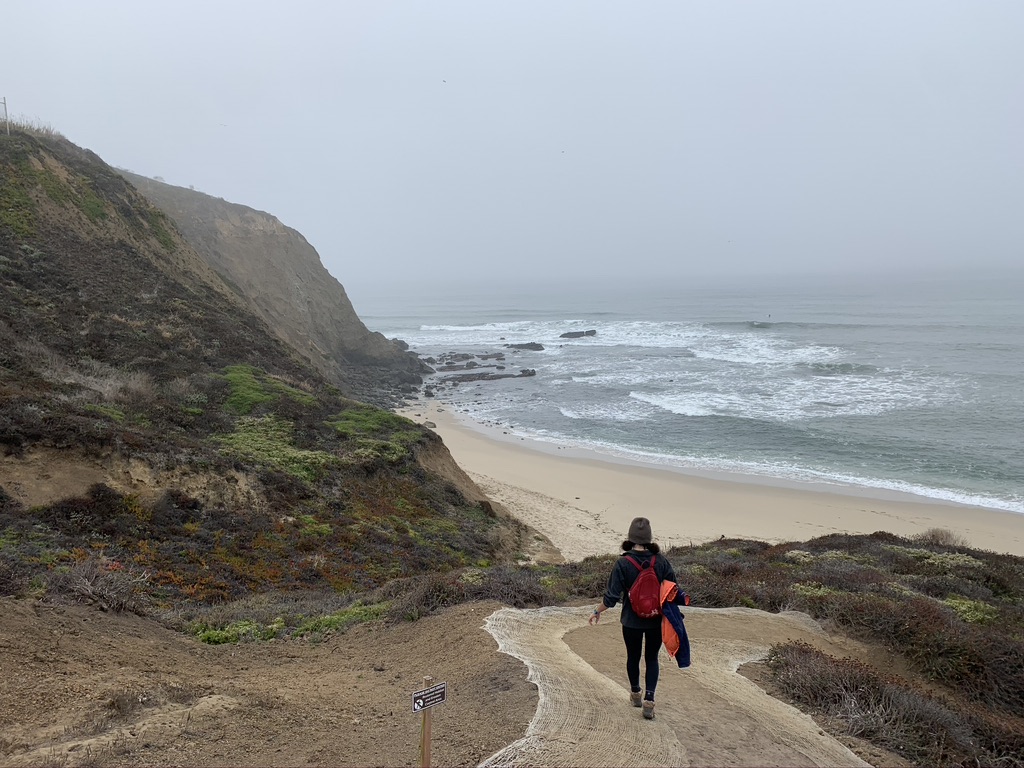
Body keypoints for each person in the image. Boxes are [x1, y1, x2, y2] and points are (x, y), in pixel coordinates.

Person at [588, 516, 681, 720]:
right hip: (656, 620)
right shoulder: (661, 561)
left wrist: (597, 611)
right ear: (649, 538)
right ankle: (649, 699)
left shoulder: (623, 563)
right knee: (651, 658)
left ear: (630, 537)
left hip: (631, 621)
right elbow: (673, 590)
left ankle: (635, 693)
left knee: (633, 657)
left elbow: (611, 597)